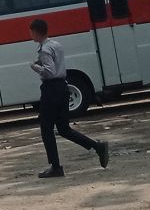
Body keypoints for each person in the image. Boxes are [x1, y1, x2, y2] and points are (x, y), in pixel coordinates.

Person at [29, 18, 109, 178]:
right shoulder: (56, 45)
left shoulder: (44, 49)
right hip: (63, 88)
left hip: (51, 90)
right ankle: (97, 147)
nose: (30, 35)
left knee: (46, 129)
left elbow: (50, 72)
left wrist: (35, 67)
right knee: (64, 129)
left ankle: (56, 166)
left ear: (37, 32)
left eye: (31, 32)